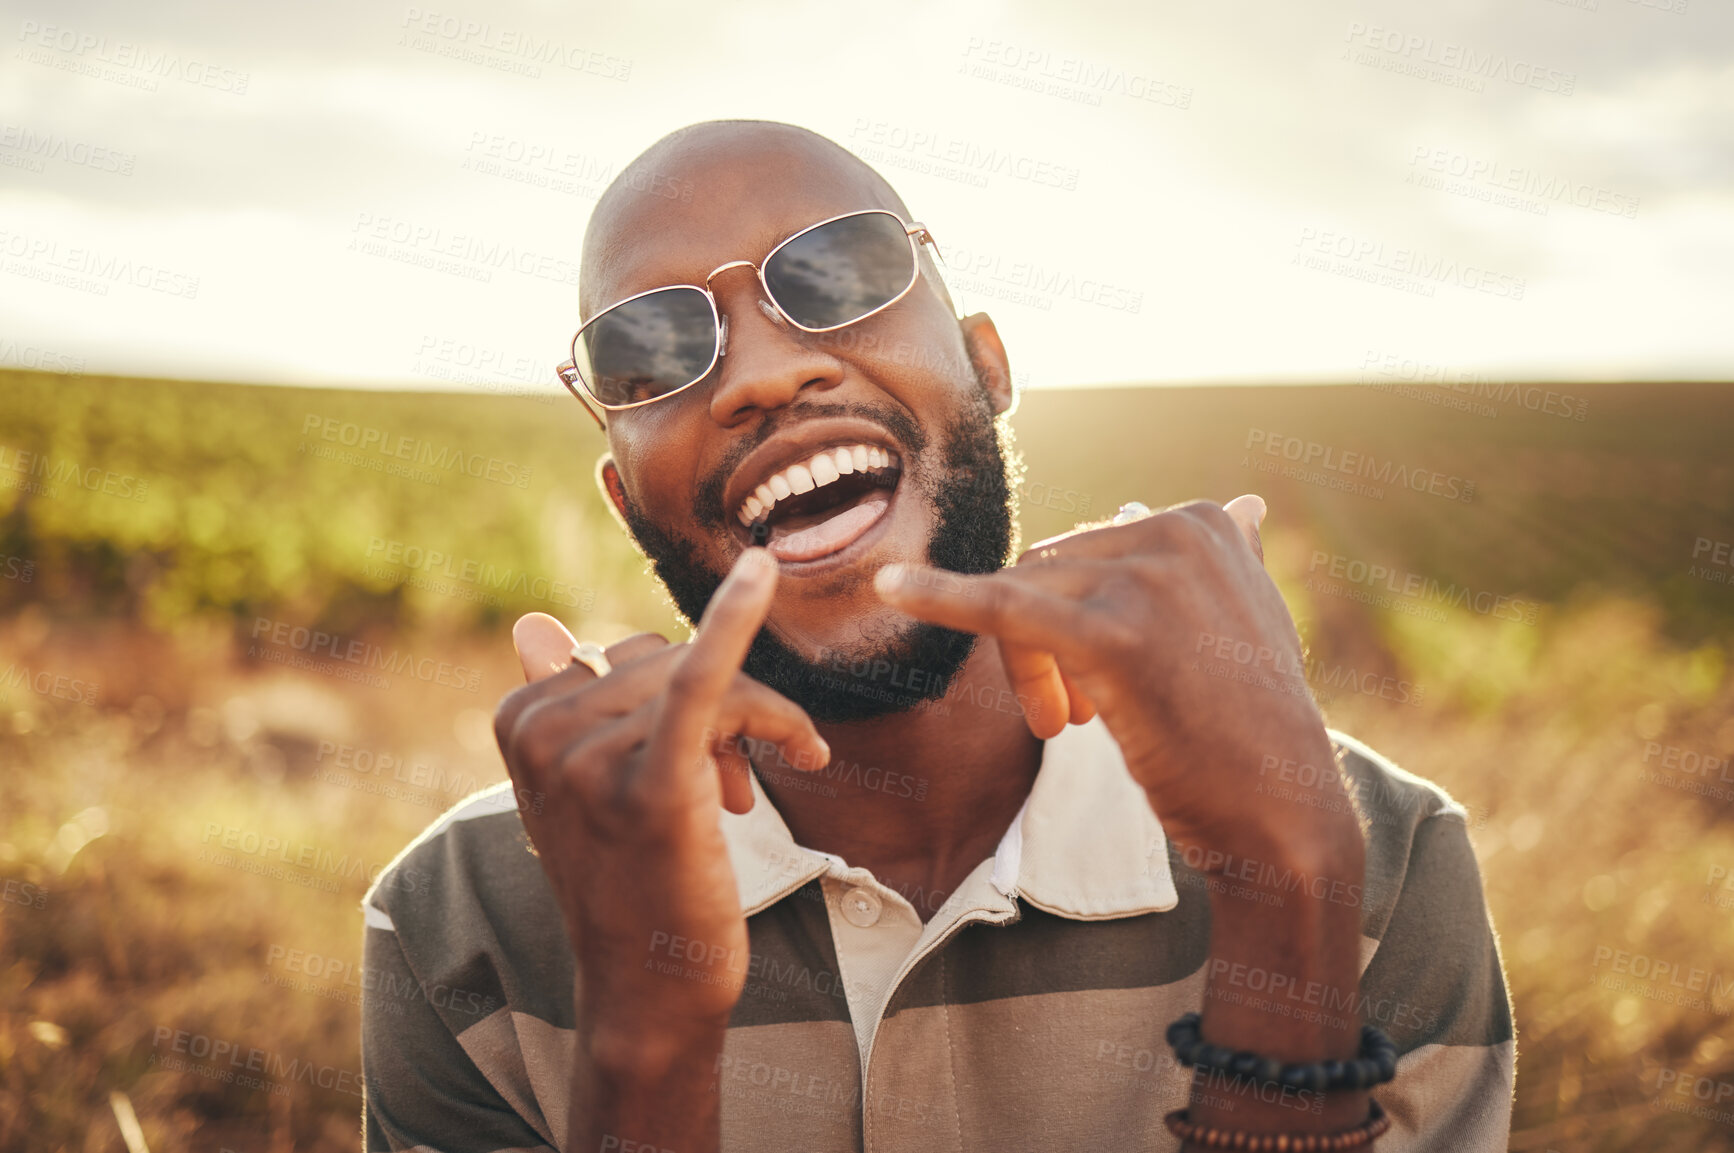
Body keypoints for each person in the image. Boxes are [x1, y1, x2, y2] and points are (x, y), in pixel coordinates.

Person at [360, 120, 1514, 1152]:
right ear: (626, 498)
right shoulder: (461, 925)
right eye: (648, 346)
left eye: (837, 272)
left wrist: (1292, 903)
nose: (765, 372)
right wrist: (643, 1043)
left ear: (989, 366)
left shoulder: (1380, 859)